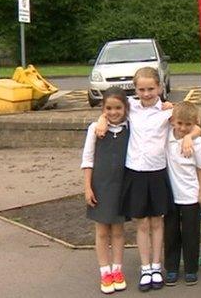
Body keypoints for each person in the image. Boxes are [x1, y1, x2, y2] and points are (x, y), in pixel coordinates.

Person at [95, 67, 200, 292]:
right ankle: (145, 268)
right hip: (135, 172)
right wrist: (102, 118)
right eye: (141, 89)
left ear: (160, 88)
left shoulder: (167, 111)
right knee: (142, 223)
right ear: (135, 89)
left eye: (151, 88)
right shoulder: (130, 106)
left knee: (157, 221)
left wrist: (190, 136)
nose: (146, 93)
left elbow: (193, 123)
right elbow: (111, 108)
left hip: (157, 172)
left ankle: (156, 265)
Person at [81, 87, 130, 294]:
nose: (113, 112)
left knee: (118, 231)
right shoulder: (95, 129)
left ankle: (118, 269)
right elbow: (88, 159)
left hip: (122, 185)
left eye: (118, 108)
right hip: (100, 185)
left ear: (125, 108)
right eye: (108, 108)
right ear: (103, 109)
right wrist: (87, 187)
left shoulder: (131, 127)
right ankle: (105, 271)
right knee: (102, 231)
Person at [164, 101, 201, 286]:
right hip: (170, 196)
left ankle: (191, 268)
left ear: (195, 123)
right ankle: (172, 268)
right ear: (173, 122)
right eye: (180, 124)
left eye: (188, 125)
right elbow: (164, 112)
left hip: (190, 196)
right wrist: (167, 105)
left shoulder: (196, 142)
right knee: (171, 233)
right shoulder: (167, 135)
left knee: (191, 234)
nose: (183, 128)